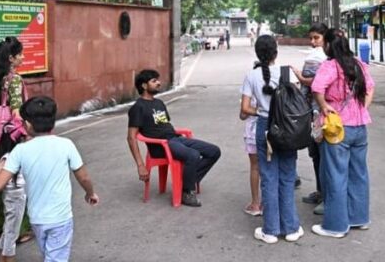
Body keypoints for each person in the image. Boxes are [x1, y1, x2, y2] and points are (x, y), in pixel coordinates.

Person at [0, 97, 99, 262]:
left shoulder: (20, 151)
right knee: (55, 257)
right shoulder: (66, 145)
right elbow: (84, 177)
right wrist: (90, 193)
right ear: (53, 122)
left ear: (27, 125)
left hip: (37, 220)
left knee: (49, 255)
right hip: (60, 218)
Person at [311, 28, 375, 239]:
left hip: (338, 128)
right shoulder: (358, 64)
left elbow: (317, 88)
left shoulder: (330, 66)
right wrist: (362, 107)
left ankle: (336, 226)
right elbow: (370, 88)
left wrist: (324, 106)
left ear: (328, 45)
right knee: (359, 173)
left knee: (336, 175)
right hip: (360, 127)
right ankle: (359, 218)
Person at [240, 35, 303, 244]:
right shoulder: (286, 73)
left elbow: (244, 109)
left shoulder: (251, 76)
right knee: (287, 175)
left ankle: (270, 230)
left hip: (264, 128)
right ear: (276, 53)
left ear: (258, 54)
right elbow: (297, 102)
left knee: (268, 177)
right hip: (286, 129)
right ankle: (291, 228)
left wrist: (261, 111)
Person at [126, 69, 221, 207]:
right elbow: (131, 137)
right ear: (144, 86)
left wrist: (180, 137)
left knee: (214, 151)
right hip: (160, 146)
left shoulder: (159, 103)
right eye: (154, 81)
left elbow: (164, 125)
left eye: (158, 80)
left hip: (175, 139)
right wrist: (140, 165)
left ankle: (186, 181)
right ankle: (187, 192)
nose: (158, 83)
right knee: (193, 155)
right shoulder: (138, 108)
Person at [0, 36, 32, 261]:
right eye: (20, 54)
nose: (23, 57)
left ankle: (2, 227)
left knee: (4, 181)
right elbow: (16, 111)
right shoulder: (14, 80)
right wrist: (25, 136)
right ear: (12, 58)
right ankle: (18, 231)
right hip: (11, 136)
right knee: (16, 184)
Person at [295, 22, 328, 207]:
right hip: (310, 113)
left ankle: (327, 196)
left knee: (324, 156)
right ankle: (320, 191)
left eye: (317, 38)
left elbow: (316, 82)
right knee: (315, 154)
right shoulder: (314, 56)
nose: (313, 42)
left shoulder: (328, 60)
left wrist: (301, 79)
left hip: (322, 113)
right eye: (311, 38)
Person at [240, 97, 261, 216]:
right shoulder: (275, 81)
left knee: (255, 167)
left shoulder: (250, 84)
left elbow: (243, 114)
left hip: (252, 132)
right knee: (269, 167)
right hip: (272, 130)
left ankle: (255, 203)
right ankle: (269, 202)